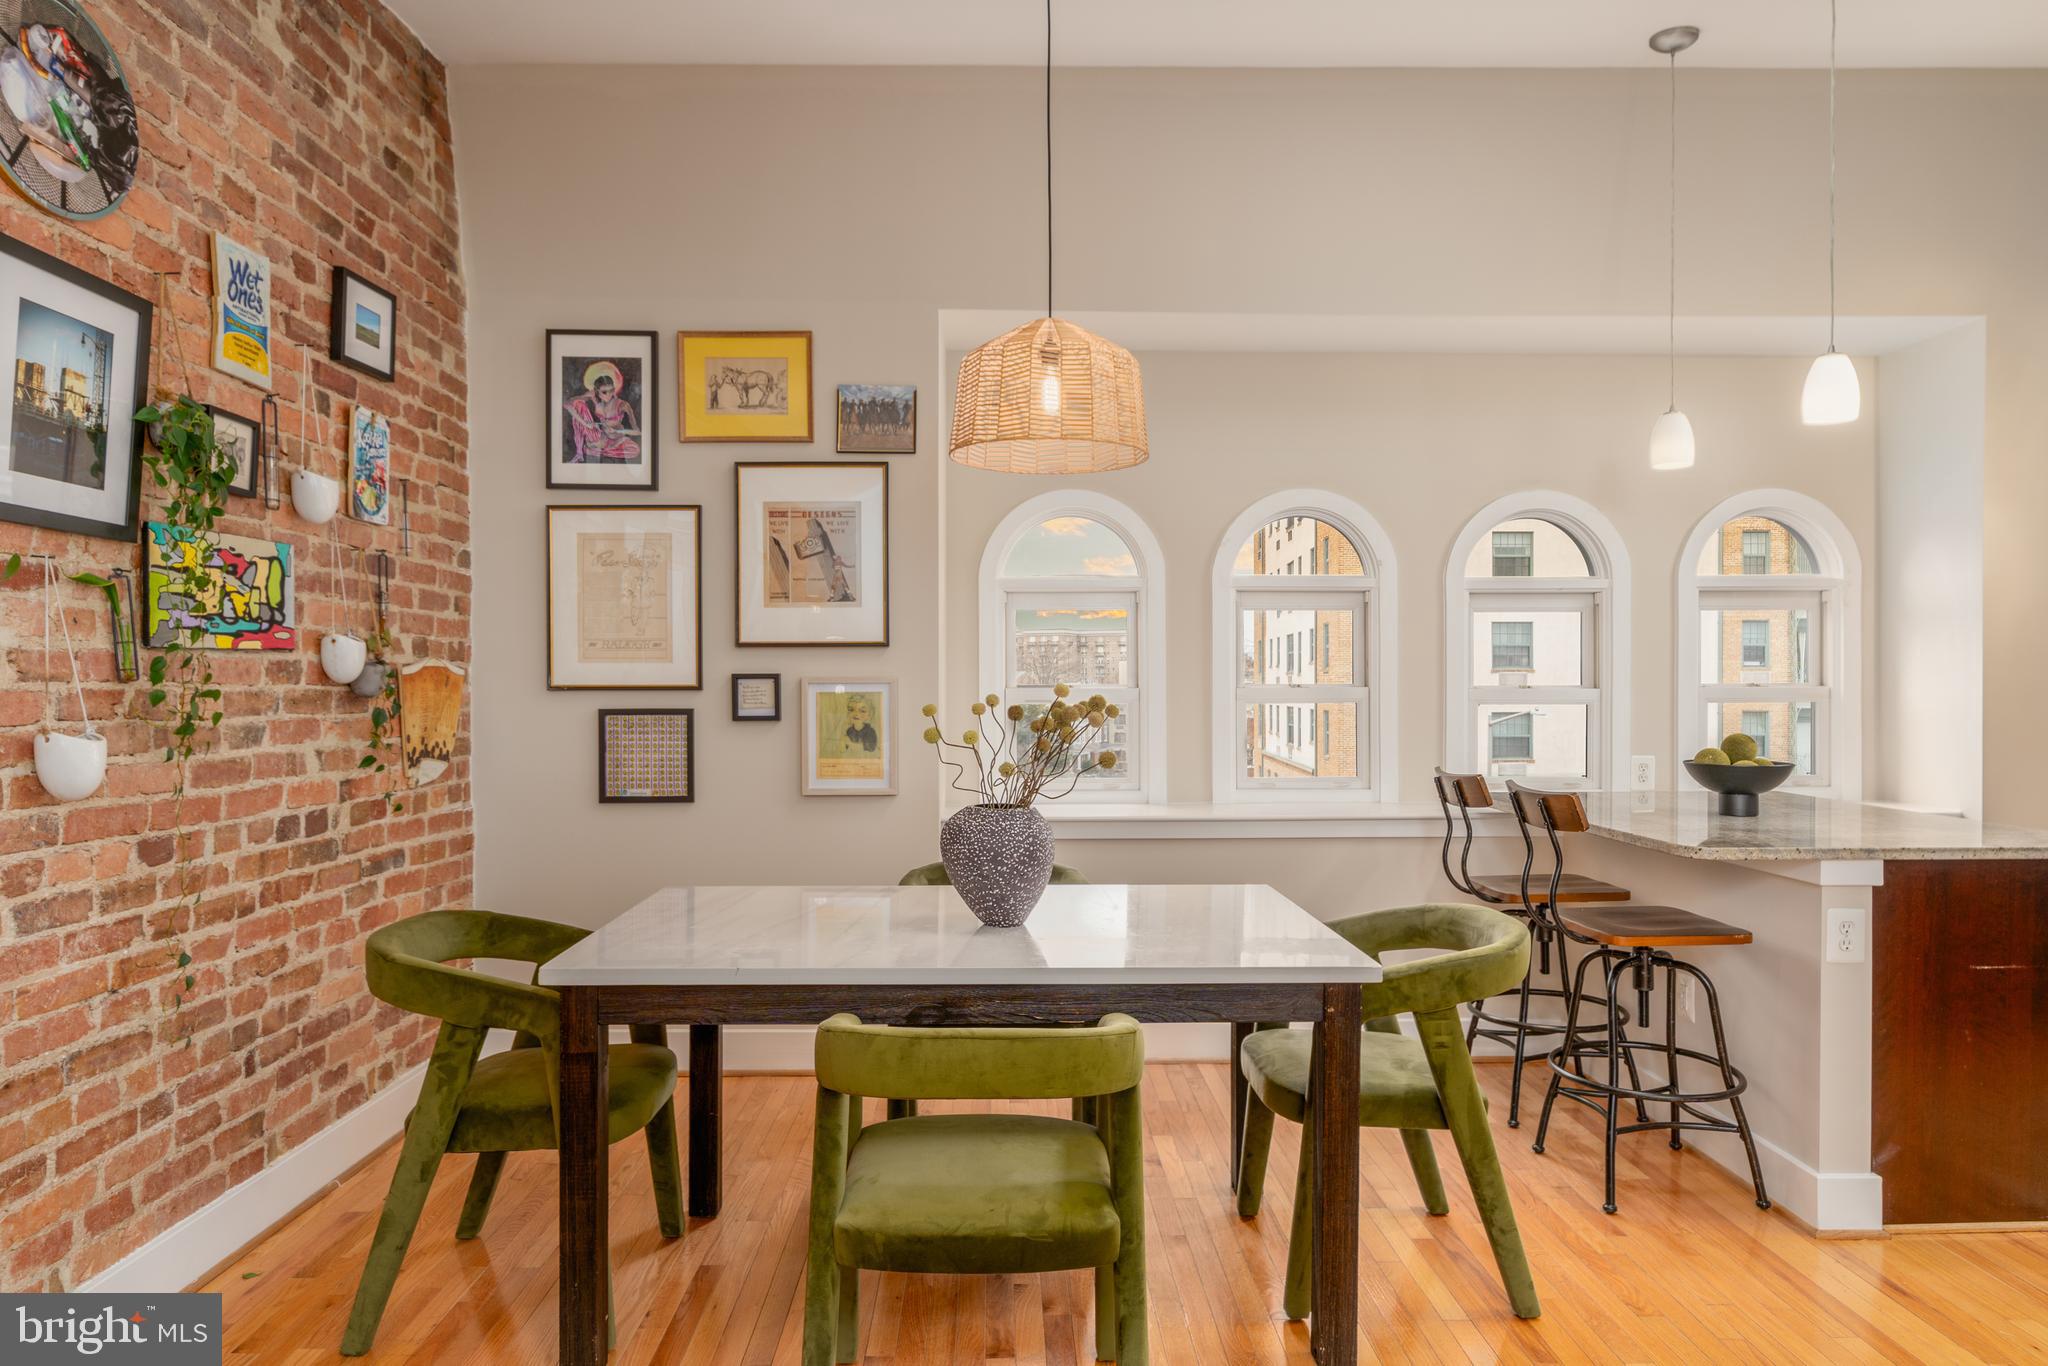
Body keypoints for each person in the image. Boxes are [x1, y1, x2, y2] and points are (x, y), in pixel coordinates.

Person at [564, 360, 640, 463]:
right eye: (604, 392)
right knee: (578, 404)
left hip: (617, 439)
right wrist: (584, 423)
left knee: (635, 450)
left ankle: (594, 449)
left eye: (612, 390)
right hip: (600, 436)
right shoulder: (593, 396)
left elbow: (637, 431)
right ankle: (580, 452)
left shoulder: (623, 405)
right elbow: (567, 404)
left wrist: (618, 431)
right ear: (597, 391)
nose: (609, 394)